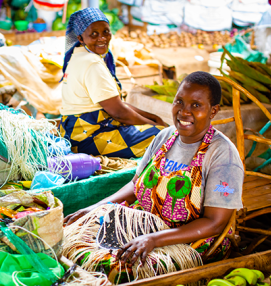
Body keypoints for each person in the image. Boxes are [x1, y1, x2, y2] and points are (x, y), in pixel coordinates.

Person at [64, 71, 244, 263]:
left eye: (196, 105)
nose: (184, 111)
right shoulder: (165, 137)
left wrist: (153, 239)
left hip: (192, 241)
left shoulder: (222, 154)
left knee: (116, 266)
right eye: (179, 102)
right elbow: (136, 185)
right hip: (146, 226)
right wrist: (97, 207)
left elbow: (215, 223)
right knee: (74, 242)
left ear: (213, 111)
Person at [60, 8, 166, 158]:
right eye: (94, 34)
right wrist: (155, 125)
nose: (102, 38)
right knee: (165, 137)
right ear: (81, 39)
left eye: (106, 32)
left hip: (76, 132)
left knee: (157, 129)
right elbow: (119, 112)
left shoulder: (79, 57)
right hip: (88, 137)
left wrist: (152, 118)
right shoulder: (92, 63)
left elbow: (115, 103)